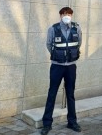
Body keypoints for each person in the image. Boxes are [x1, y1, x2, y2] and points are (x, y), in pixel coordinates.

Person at [41, 7, 82, 135]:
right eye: (64, 14)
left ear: (71, 15)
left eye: (69, 14)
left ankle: (72, 122)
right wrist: (58, 55)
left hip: (70, 66)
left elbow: (78, 43)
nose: (67, 16)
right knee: (52, 93)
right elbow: (49, 44)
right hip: (57, 66)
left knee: (70, 94)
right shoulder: (53, 28)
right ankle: (47, 123)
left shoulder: (77, 28)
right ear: (60, 15)